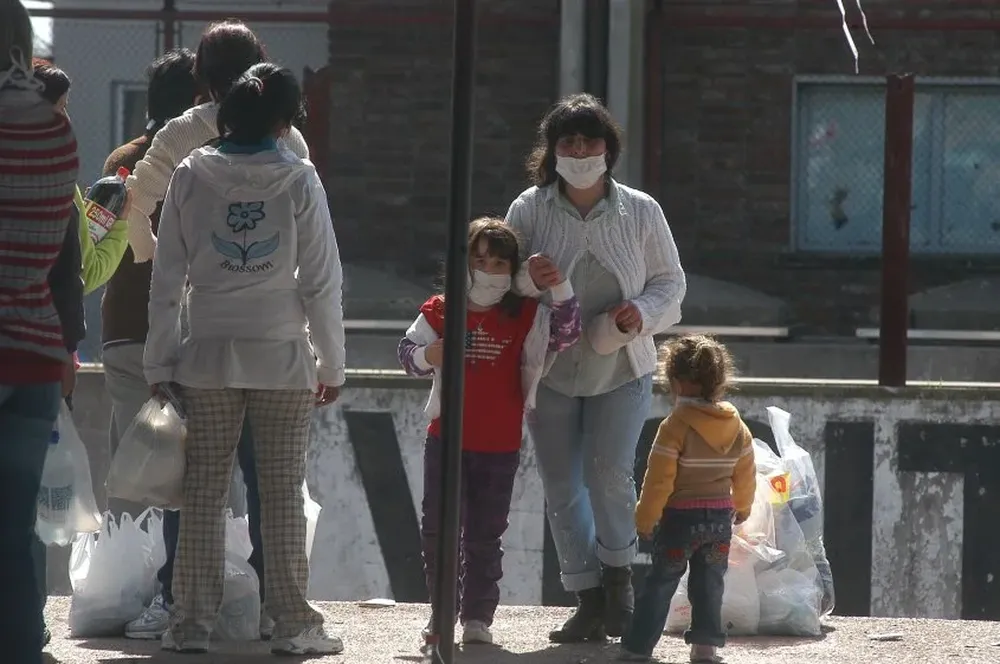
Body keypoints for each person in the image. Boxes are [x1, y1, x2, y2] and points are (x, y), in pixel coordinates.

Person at [144, 62, 345, 656]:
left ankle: (190, 625)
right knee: (281, 493)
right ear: (286, 122)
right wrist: (332, 364)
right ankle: (292, 624)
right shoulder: (300, 178)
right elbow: (322, 282)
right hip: (282, 356)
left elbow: (166, 279)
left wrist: (159, 364)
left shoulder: (190, 173)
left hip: (204, 355)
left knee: (203, 492)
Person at [114, 27, 298, 639]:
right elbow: (312, 244)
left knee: (193, 480)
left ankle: (182, 605)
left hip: (203, 332)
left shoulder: (182, 136)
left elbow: (136, 202)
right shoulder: (288, 138)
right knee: (270, 481)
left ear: (203, 77)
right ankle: (273, 608)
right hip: (275, 337)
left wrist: (154, 256)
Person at [505, 93, 687, 641]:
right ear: (552, 150)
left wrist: (643, 312)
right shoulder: (529, 209)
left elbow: (670, 283)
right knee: (562, 484)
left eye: (590, 141)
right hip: (550, 370)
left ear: (609, 149)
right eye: (569, 142)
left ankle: (619, 589)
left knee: (609, 476)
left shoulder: (641, 210)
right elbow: (498, 282)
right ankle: (587, 598)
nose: (580, 151)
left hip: (621, 367)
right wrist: (528, 278)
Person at [397, 218, 582, 646]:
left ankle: (478, 616)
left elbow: (567, 333)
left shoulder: (525, 312)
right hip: (445, 440)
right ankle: (441, 613)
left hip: (499, 445)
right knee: (438, 531)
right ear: (463, 263)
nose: (488, 270)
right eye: (479, 260)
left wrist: (560, 286)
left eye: (499, 263)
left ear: (512, 269)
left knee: (485, 535)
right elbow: (406, 353)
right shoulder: (440, 310)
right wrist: (428, 355)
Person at [0, 2, 80, 662]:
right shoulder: (57, 132)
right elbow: (59, 251)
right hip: (35, 352)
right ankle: (23, 644)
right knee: (13, 525)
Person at [621, 335, 755, 663]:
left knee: (661, 583)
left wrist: (645, 517)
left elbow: (659, 480)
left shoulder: (675, 426)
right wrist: (743, 506)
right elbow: (746, 473)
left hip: (680, 521)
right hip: (720, 522)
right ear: (719, 382)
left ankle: (638, 648)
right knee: (709, 584)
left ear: (676, 383)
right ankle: (705, 647)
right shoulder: (736, 426)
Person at [31, 59, 130, 294]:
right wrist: (119, 226)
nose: (67, 119)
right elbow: (87, 274)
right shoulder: (57, 183)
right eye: (61, 108)